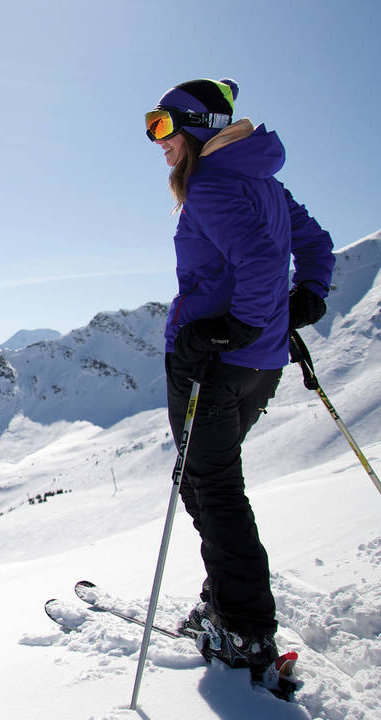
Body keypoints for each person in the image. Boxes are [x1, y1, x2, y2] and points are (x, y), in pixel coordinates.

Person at [145, 78, 335, 679]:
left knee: (211, 487)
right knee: (208, 478)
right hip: (260, 365)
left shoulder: (211, 186)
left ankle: (244, 627)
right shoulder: (261, 182)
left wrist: (233, 329)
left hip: (213, 364)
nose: (159, 142)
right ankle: (227, 598)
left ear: (197, 126)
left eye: (164, 126)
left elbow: (255, 260)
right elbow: (314, 244)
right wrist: (305, 297)